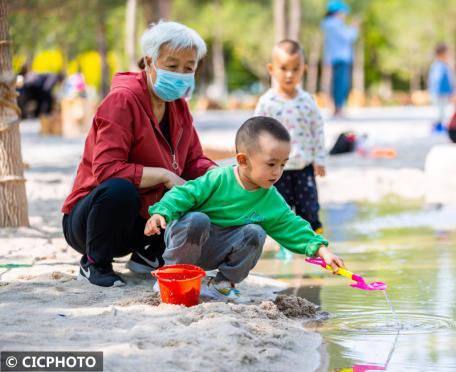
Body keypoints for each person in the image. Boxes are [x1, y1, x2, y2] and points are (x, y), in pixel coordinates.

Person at [61, 21, 216, 287]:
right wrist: (165, 176)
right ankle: (94, 263)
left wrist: (216, 174)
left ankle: (148, 255)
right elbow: (106, 169)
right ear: (149, 61)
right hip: (92, 221)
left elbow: (192, 161)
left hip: (142, 223)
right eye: (172, 65)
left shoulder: (178, 107)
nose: (181, 73)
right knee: (121, 189)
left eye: (188, 67)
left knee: (202, 187)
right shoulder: (122, 100)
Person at [145, 116, 345, 301]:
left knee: (256, 232)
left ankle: (221, 284)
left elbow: (291, 225)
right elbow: (185, 193)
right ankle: (173, 274)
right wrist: (161, 212)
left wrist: (322, 251)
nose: (277, 172)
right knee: (198, 219)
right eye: (271, 164)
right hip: (188, 240)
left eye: (283, 165)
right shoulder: (219, 178)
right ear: (243, 160)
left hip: (220, 248)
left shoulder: (270, 198)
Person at [254, 39, 326, 260]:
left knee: (309, 207)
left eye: (295, 69)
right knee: (280, 208)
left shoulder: (307, 101)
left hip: (303, 166)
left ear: (303, 70)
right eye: (283, 68)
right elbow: (256, 132)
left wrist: (319, 158)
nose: (289, 74)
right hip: (277, 169)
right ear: (271, 69)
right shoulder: (267, 102)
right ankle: (285, 244)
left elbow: (317, 130)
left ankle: (315, 244)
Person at [320, 0, 359, 116]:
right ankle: (338, 107)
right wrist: (354, 27)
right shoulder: (334, 24)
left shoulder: (330, 24)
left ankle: (338, 106)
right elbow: (348, 37)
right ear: (337, 12)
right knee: (341, 83)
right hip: (340, 57)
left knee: (338, 82)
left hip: (335, 57)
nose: (344, 15)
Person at [428, 43, 455, 132]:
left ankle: (439, 125)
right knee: (439, 111)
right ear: (441, 53)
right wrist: (436, 91)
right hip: (439, 93)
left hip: (444, 93)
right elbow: (436, 80)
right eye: (447, 53)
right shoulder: (438, 66)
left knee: (443, 110)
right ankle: (437, 126)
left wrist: (451, 91)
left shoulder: (443, 65)